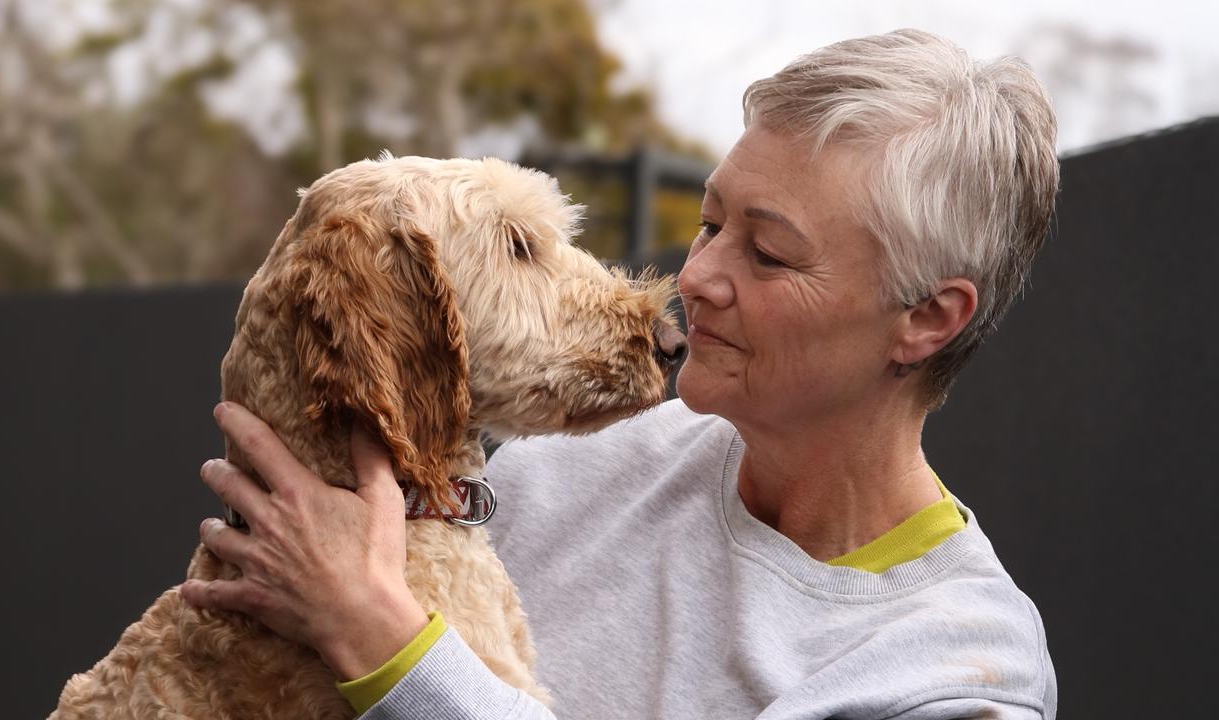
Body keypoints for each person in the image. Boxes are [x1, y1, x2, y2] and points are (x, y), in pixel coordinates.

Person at [182, 29, 1059, 719]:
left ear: (928, 317)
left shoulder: (954, 674)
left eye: (769, 253)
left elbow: (391, 648)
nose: (698, 278)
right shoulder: (578, 465)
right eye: (711, 225)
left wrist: (384, 643)